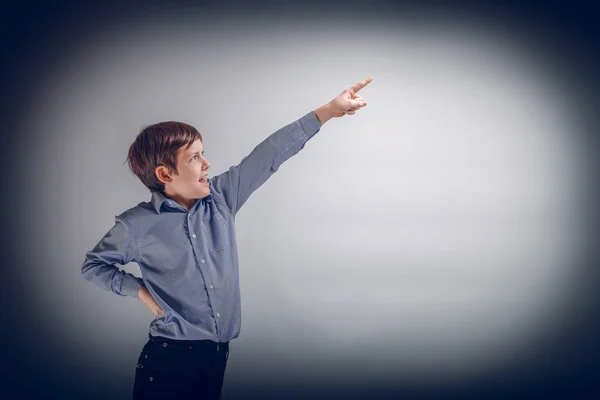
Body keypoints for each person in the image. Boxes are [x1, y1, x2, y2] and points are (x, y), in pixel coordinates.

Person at [81, 76, 373, 399]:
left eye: (203, 154)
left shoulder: (221, 197)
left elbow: (269, 155)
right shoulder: (137, 225)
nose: (207, 164)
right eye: (194, 158)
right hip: (168, 362)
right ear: (165, 175)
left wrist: (329, 111)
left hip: (216, 359)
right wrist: (139, 291)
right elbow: (93, 265)